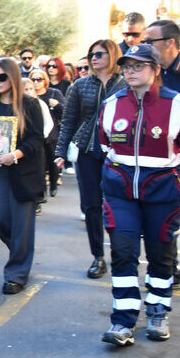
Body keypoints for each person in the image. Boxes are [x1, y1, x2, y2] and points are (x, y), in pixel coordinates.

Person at [98, 44, 180, 346]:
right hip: (121, 190)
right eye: (127, 66)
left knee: (161, 256)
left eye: (139, 65)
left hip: (164, 190)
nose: (131, 71)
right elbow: (105, 143)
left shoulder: (177, 104)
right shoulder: (112, 103)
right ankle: (122, 322)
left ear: (156, 69)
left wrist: (177, 178)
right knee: (122, 253)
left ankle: (158, 312)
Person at [55, 39, 126, 280]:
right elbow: (69, 122)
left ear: (113, 56)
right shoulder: (80, 85)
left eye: (100, 54)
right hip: (87, 151)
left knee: (118, 204)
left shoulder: (126, 83)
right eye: (91, 54)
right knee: (91, 205)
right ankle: (98, 256)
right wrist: (60, 153)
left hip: (119, 153)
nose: (94, 58)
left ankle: (121, 252)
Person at [0, 58, 44, 294]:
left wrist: (15, 155)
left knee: (22, 226)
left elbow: (37, 139)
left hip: (22, 173)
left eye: (2, 77)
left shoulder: (29, 105)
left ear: (13, 77)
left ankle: (16, 273)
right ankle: (20, 253)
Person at [146, 19, 180, 288]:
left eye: (151, 41)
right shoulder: (153, 74)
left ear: (170, 42)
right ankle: (168, 268)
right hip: (162, 160)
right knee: (165, 219)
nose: (145, 46)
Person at [29, 70, 65, 198]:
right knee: (40, 164)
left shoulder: (54, 93)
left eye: (39, 79)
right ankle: (41, 192)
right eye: (33, 79)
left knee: (52, 162)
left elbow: (65, 113)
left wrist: (57, 105)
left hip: (51, 134)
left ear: (45, 80)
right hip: (36, 136)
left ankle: (54, 184)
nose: (36, 82)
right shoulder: (30, 96)